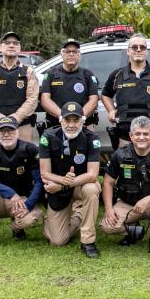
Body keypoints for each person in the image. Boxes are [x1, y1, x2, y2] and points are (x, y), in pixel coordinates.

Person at [100, 116, 150, 254]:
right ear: (131, 136)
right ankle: (132, 231)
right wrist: (109, 208)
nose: (142, 137)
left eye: (146, 134)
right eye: (138, 134)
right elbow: (108, 182)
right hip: (127, 203)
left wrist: (147, 200)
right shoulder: (120, 154)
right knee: (107, 226)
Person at [39, 102, 102, 258]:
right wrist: (62, 180)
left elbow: (93, 175)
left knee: (92, 188)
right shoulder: (47, 137)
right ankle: (79, 215)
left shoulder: (92, 138)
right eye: (67, 120)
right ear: (61, 121)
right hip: (58, 184)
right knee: (57, 240)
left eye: (76, 120)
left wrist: (63, 185)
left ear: (83, 121)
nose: (71, 125)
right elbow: (45, 173)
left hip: (78, 185)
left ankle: (87, 241)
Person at [0, 116, 44, 248]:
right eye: (2, 131)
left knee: (33, 217)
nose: (6, 134)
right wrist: (10, 193)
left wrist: (28, 205)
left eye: (10, 130)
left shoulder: (30, 149)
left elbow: (39, 181)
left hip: (21, 200)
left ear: (17, 131)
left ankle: (17, 228)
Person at [101, 33, 150, 147]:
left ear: (146, 51)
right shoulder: (117, 75)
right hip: (125, 136)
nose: (138, 50)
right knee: (124, 164)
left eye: (142, 47)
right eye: (134, 47)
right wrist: (111, 110)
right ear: (128, 51)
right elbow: (105, 95)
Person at [0, 31, 39, 143]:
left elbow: (32, 100)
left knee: (24, 159)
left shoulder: (29, 72)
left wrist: (15, 118)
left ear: (19, 48)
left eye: (15, 43)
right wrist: (0, 119)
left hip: (22, 126)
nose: (11, 45)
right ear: (0, 47)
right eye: (7, 42)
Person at [39, 39, 99, 131]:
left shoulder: (88, 75)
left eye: (74, 51)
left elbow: (93, 100)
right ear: (62, 54)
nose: (71, 54)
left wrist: (79, 117)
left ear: (79, 55)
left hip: (83, 124)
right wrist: (63, 116)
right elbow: (45, 99)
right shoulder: (51, 74)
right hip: (56, 125)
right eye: (67, 51)